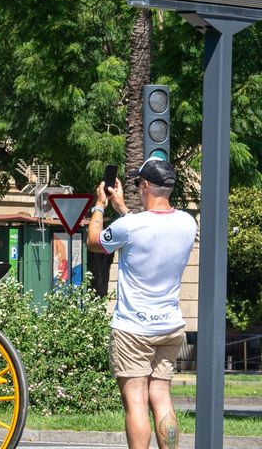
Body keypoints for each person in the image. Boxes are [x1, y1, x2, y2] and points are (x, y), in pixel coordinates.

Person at [87, 157, 197, 449]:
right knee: (161, 397)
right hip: (170, 326)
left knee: (135, 402)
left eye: (138, 184)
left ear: (146, 185)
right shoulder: (187, 222)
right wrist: (123, 208)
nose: (136, 189)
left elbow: (95, 241)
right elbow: (146, 229)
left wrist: (100, 204)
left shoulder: (132, 227)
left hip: (133, 329)